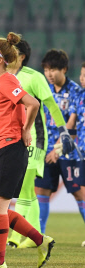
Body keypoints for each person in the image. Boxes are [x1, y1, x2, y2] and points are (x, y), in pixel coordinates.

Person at [0, 32, 54, 268]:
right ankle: (41, 241)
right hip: (7, 147)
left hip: (10, 148)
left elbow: (34, 104)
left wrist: (26, 130)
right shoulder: (4, 82)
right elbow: (19, 109)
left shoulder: (5, 81)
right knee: (0, 207)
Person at [0, 39, 72, 249]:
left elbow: (48, 104)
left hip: (33, 138)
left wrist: (63, 131)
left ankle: (15, 238)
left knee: (22, 191)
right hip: (9, 141)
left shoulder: (33, 77)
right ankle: (37, 238)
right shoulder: (0, 79)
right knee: (27, 192)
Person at [36, 49, 85, 237]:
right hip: (46, 150)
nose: (49, 74)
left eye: (53, 69)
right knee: (42, 190)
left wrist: (58, 149)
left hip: (68, 151)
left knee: (79, 193)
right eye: (46, 69)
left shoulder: (75, 91)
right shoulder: (44, 90)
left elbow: (70, 124)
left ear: (64, 69)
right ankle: (39, 235)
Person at [61, 61, 85, 248]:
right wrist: (61, 143)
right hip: (82, 153)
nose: (82, 79)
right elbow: (72, 123)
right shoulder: (81, 97)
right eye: (82, 75)